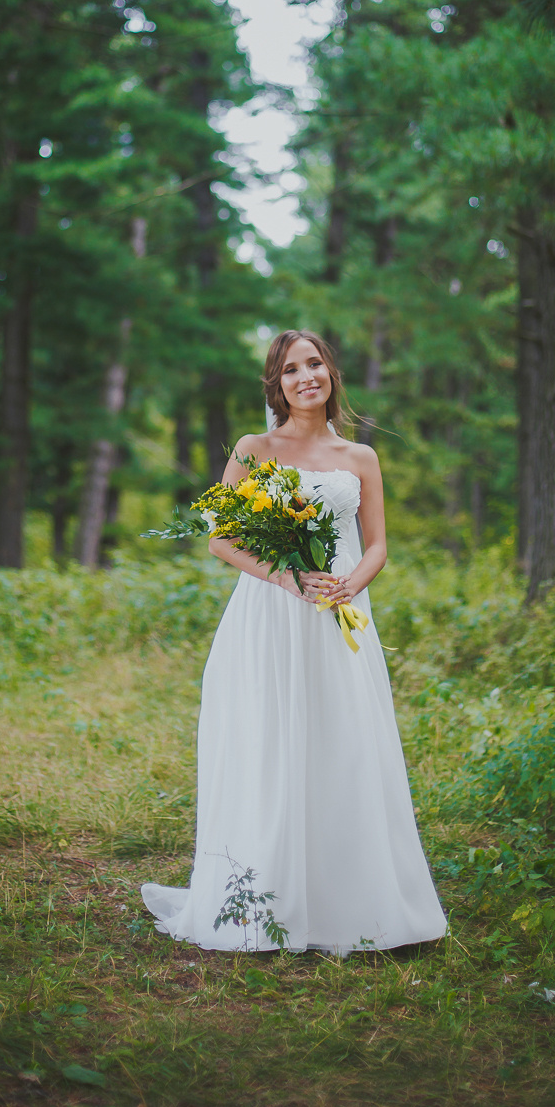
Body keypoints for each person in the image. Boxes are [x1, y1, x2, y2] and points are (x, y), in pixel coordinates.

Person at [141, 330, 446, 953]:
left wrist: (346, 588)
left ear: (330, 372)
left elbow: (379, 543)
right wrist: (288, 578)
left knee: (344, 743)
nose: (305, 377)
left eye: (314, 364)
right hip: (268, 617)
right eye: (290, 370)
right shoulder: (255, 449)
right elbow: (221, 539)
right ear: (276, 385)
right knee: (270, 744)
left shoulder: (360, 457)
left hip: (338, 620)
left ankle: (352, 902)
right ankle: (262, 900)